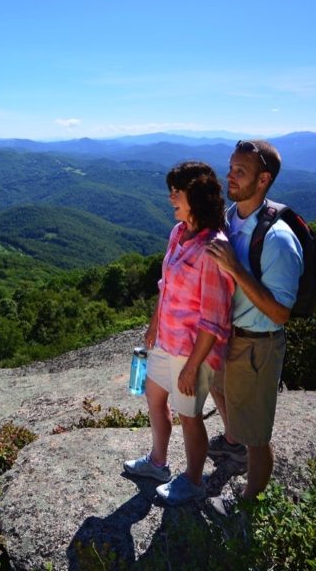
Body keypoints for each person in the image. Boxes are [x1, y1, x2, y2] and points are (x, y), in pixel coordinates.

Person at [124, 161, 235, 505]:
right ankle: (158, 463)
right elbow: (166, 285)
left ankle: (193, 480)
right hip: (166, 340)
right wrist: (154, 324)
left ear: (196, 195)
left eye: (177, 190)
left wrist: (191, 367)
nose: (170, 196)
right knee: (154, 398)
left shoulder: (212, 248)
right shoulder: (178, 234)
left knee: (190, 417)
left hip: (191, 351)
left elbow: (214, 318)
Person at [205, 140, 303, 500]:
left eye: (239, 171)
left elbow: (280, 313)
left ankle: (250, 501)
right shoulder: (232, 215)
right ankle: (233, 442)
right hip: (229, 334)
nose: (229, 176)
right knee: (219, 388)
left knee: (257, 436)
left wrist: (235, 267)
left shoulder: (278, 239)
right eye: (230, 167)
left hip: (257, 344)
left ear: (263, 180)